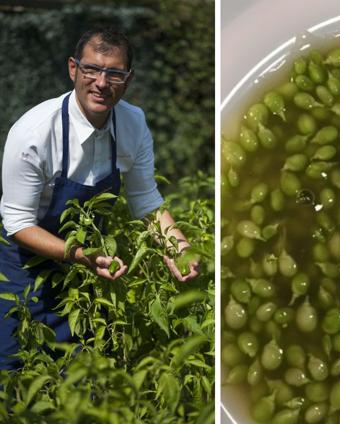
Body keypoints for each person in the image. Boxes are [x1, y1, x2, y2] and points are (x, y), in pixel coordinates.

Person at [0, 25, 199, 369]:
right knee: (16, 372)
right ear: (73, 68)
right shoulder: (34, 134)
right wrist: (81, 255)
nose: (102, 83)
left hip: (87, 272)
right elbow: (17, 223)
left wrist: (177, 246)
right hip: (22, 270)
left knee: (80, 375)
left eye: (114, 73)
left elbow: (145, 198)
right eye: (91, 69)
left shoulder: (133, 124)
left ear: (129, 79)